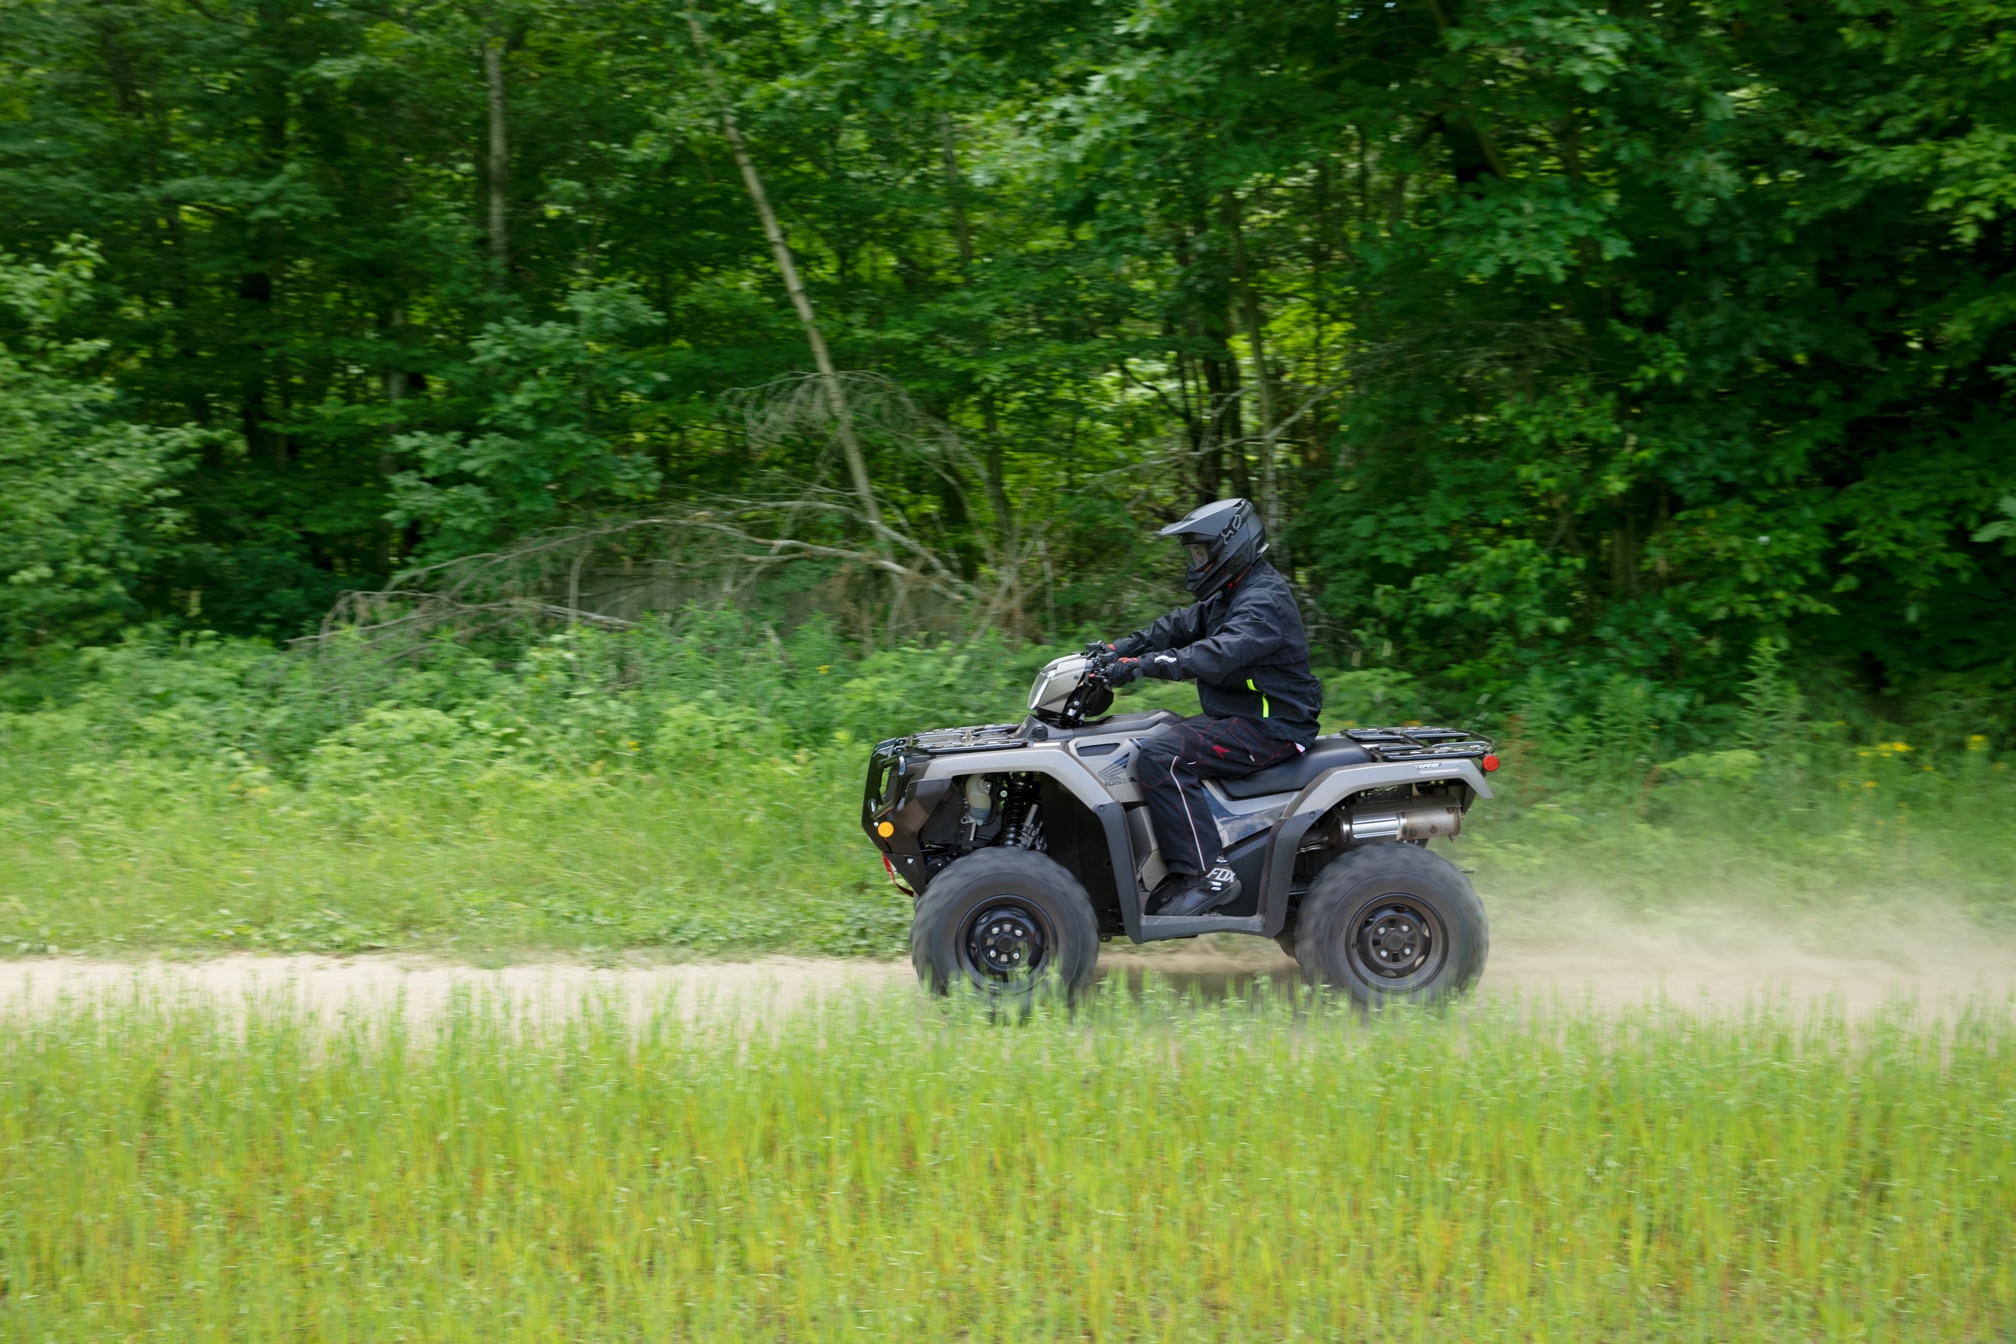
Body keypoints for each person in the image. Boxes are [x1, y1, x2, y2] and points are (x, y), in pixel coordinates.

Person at [1089, 498, 1323, 917]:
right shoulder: (1229, 593)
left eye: (1201, 552)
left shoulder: (1262, 601)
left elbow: (1217, 653)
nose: (1196, 562)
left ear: (1230, 548)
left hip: (1273, 726)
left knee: (1163, 756)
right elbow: (1177, 626)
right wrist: (1115, 649)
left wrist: (1142, 667)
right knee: (1147, 735)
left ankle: (1208, 873)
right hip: (1241, 716)